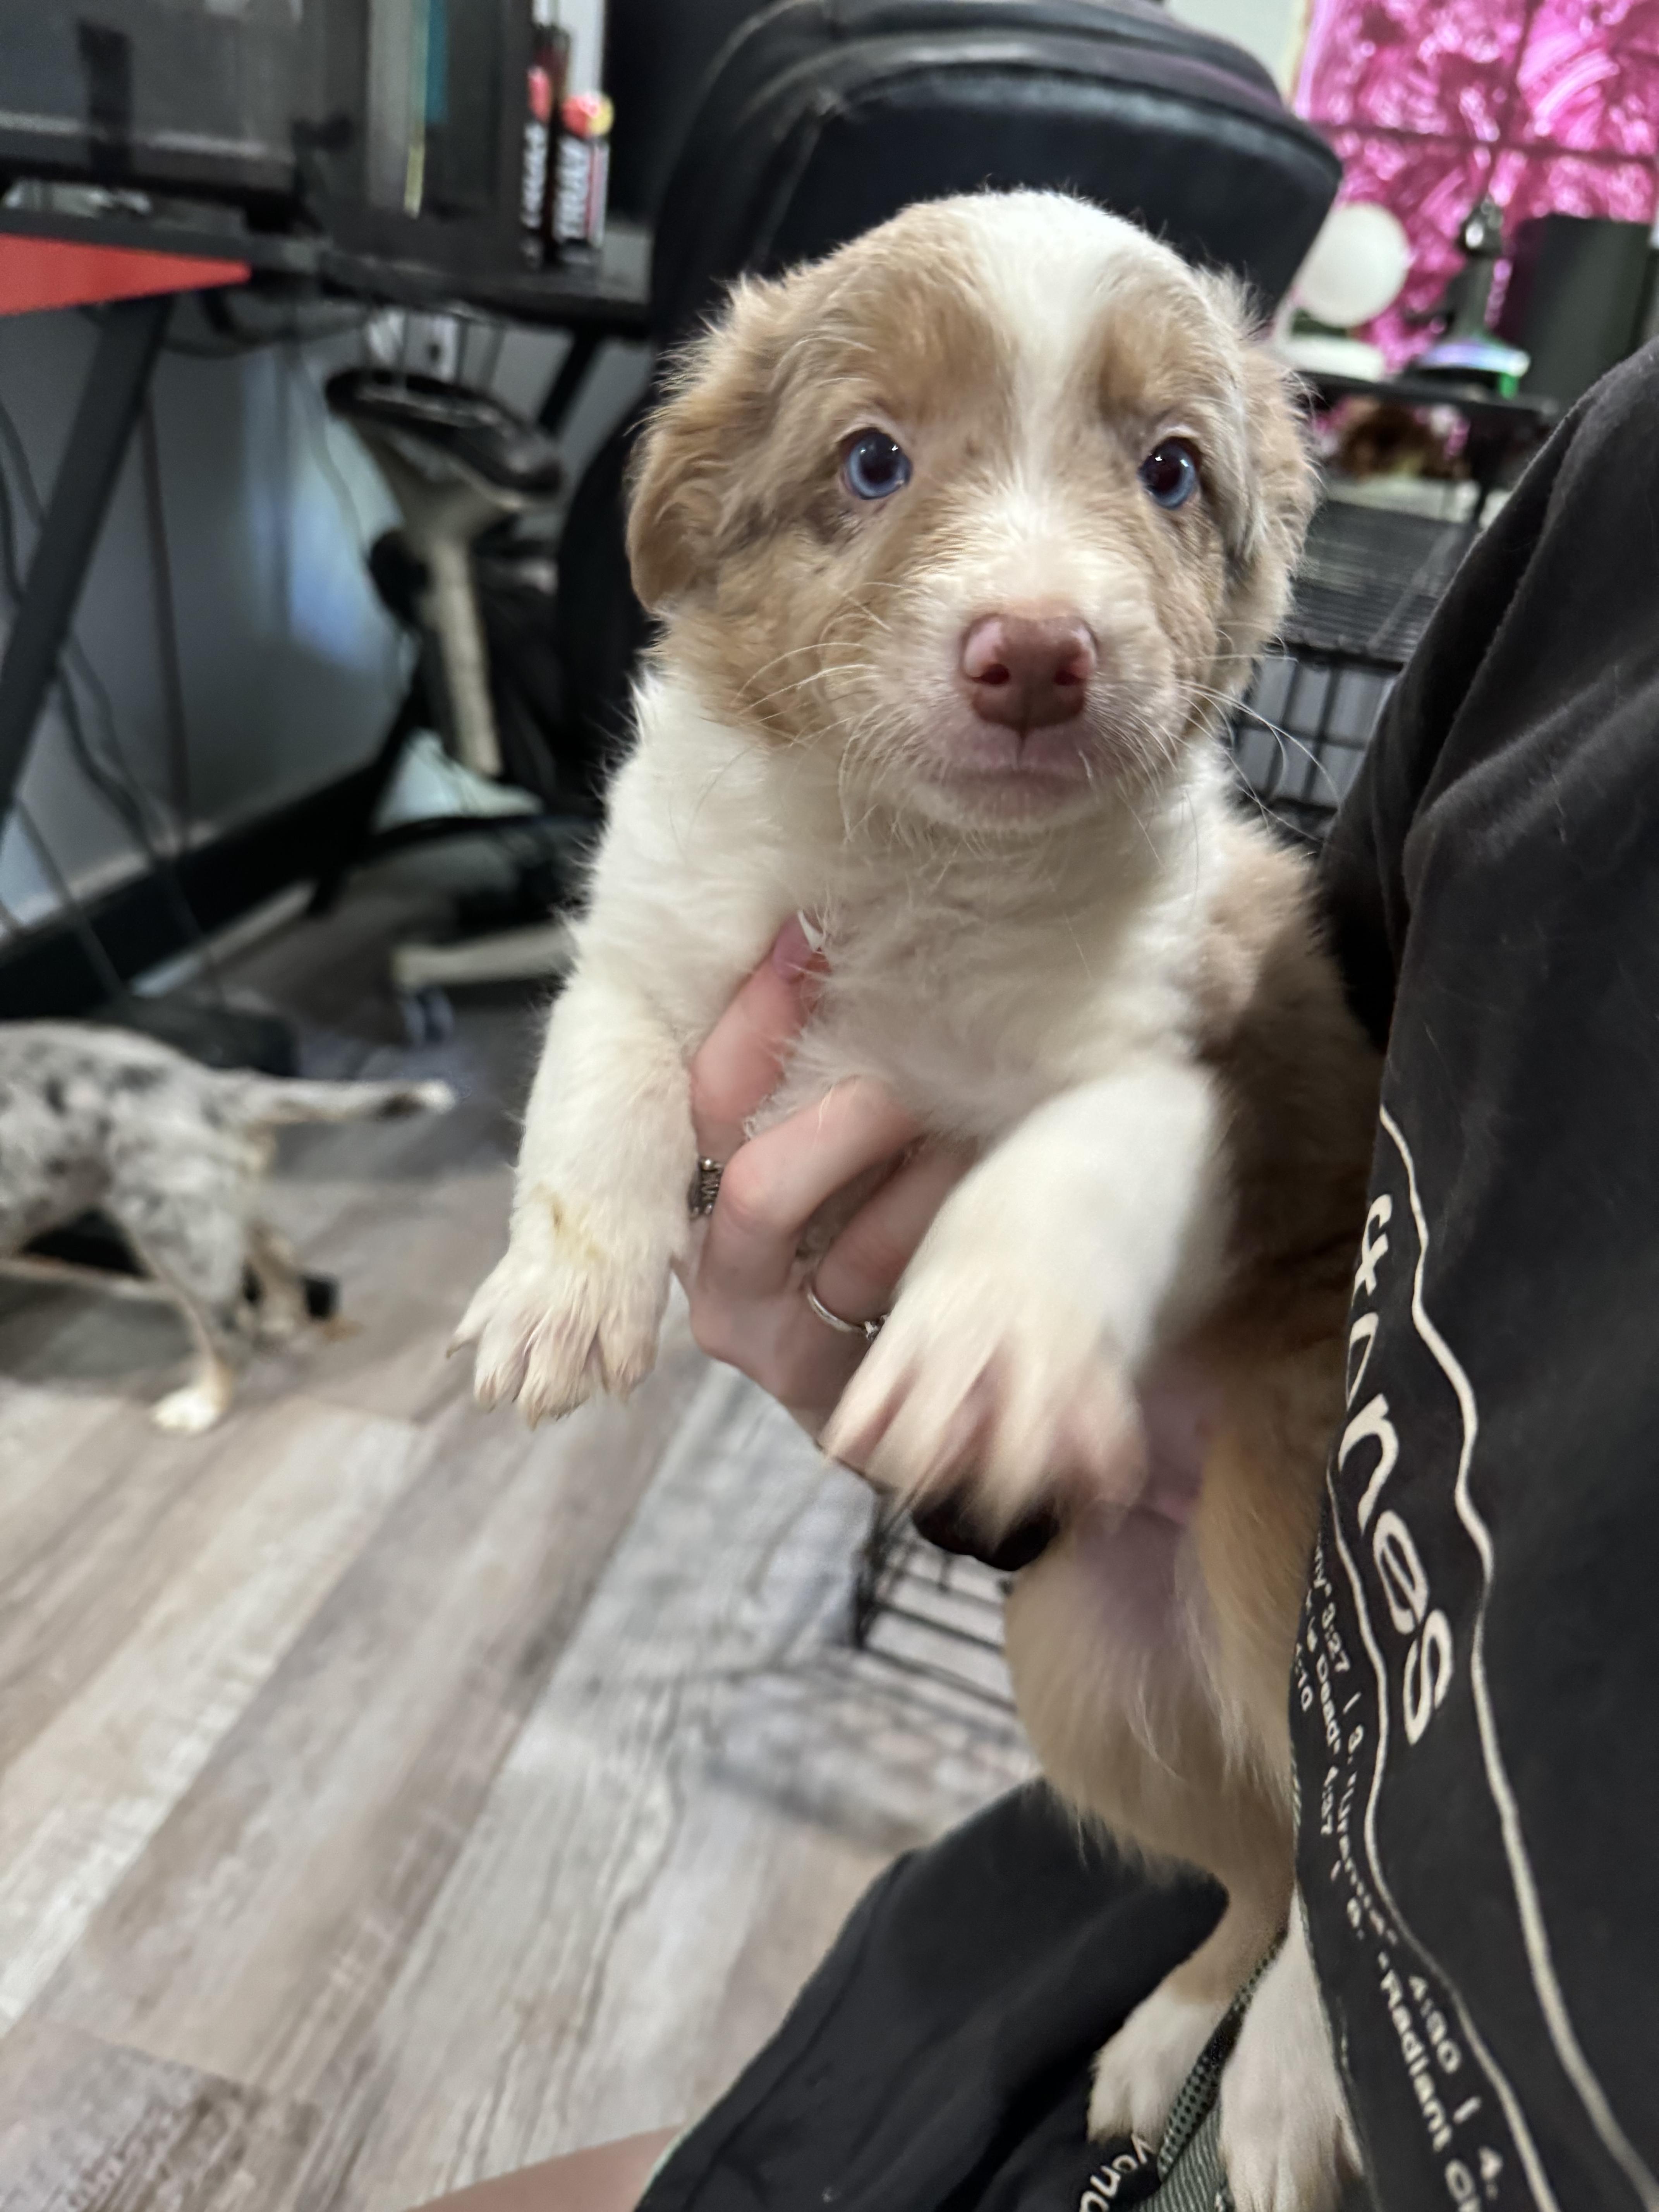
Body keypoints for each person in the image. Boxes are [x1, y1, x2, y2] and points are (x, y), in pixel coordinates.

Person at [418, 345, 1659, 2212]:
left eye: (1163, 473)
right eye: (876, 460)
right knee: (1085, 1713)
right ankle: (1255, 1909)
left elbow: (1184, 1118)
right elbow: (641, 995)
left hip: (1411, 1876)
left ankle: (1291, 1921)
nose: (1036, 611)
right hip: (1148, 1743)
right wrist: (642, 1252)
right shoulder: (1608, 518)